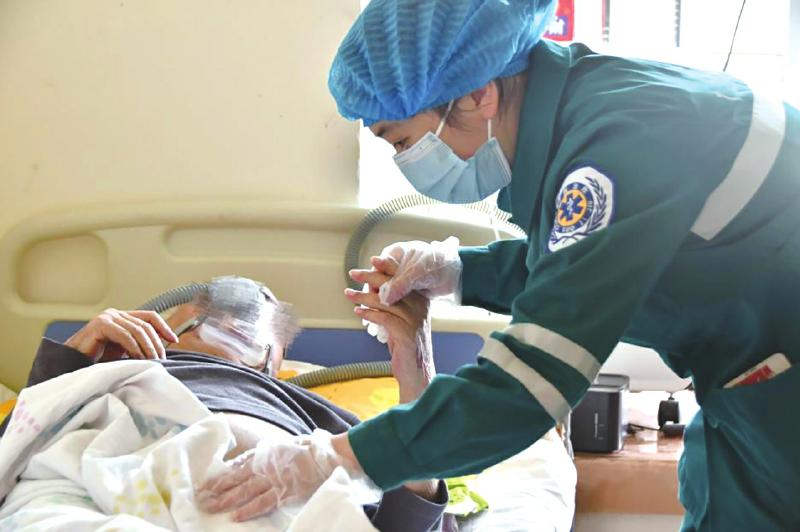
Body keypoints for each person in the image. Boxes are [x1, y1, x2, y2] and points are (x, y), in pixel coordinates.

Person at [202, 1, 800, 530]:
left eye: (403, 141)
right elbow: (583, 263)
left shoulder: (612, 147)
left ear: (477, 95)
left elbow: (528, 387)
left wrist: (336, 459)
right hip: (753, 377)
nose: (407, 163)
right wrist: (456, 270)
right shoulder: (587, 110)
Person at [0, 276, 449, 531]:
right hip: (88, 492)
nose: (237, 324)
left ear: (275, 364)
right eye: (206, 318)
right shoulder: (109, 372)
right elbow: (14, 451)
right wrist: (72, 361)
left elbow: (409, 525)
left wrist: (417, 365)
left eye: (261, 334)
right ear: (166, 325)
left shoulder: (326, 424)